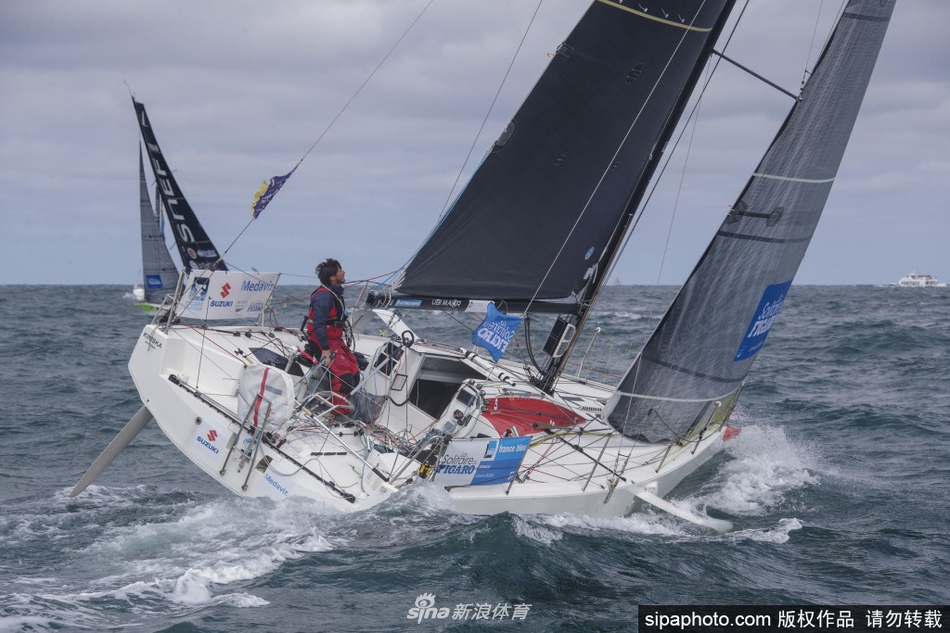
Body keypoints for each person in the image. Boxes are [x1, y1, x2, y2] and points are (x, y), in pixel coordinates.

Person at [304, 258, 360, 417]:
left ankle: (342, 407)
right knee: (345, 379)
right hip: (323, 342)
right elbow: (318, 324)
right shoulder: (323, 296)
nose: (344, 272)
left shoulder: (334, 292)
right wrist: (325, 350)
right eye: (340, 270)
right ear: (332, 277)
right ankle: (337, 416)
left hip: (335, 339)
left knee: (355, 373)